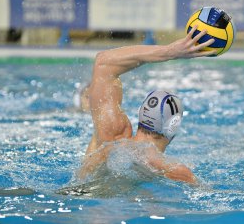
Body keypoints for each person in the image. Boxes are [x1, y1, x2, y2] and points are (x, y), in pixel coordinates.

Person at [78, 26, 215, 185]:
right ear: (172, 126)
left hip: (76, 195)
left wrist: (170, 51)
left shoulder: (112, 136)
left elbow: (103, 62)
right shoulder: (173, 170)